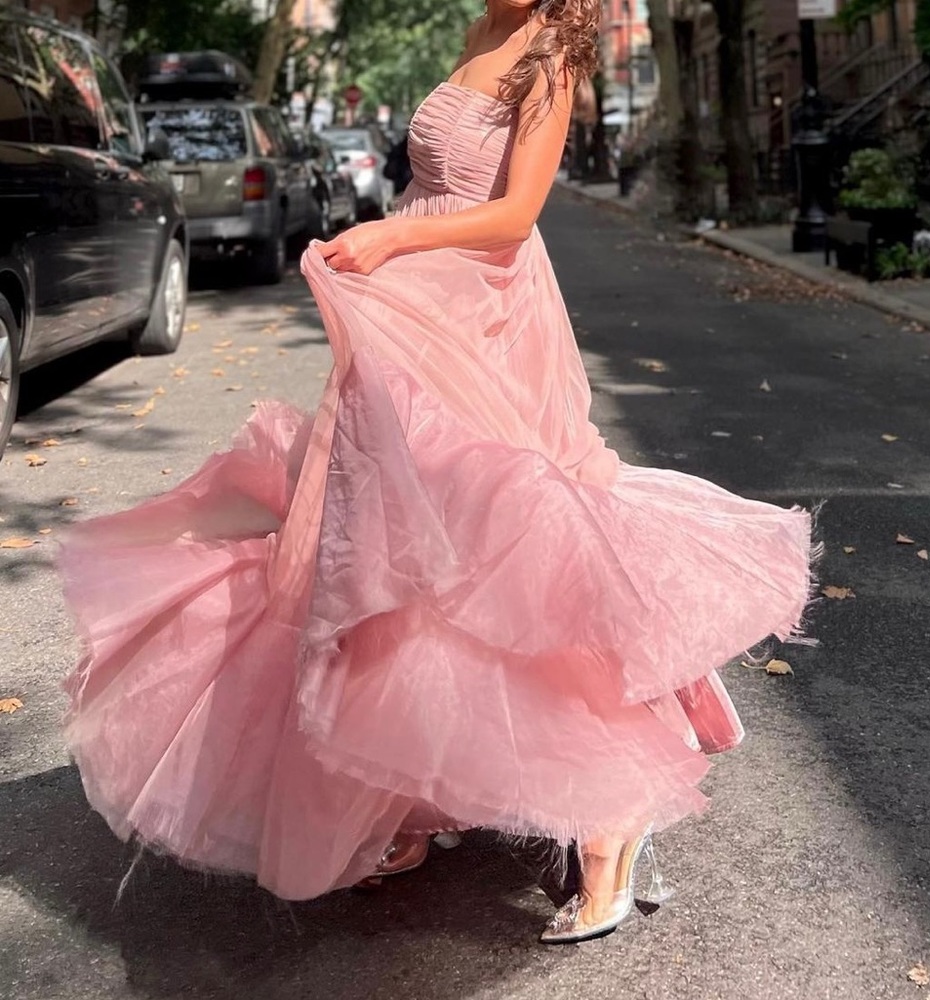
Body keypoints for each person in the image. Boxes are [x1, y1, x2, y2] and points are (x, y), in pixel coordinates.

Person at [61, 0, 814, 945]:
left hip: (483, 309)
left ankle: (611, 818)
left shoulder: (551, 50)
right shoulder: (478, 34)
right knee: (384, 543)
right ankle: (411, 801)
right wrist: (390, 247)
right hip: (414, 304)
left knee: (508, 537)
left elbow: (513, 219)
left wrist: (388, 238)